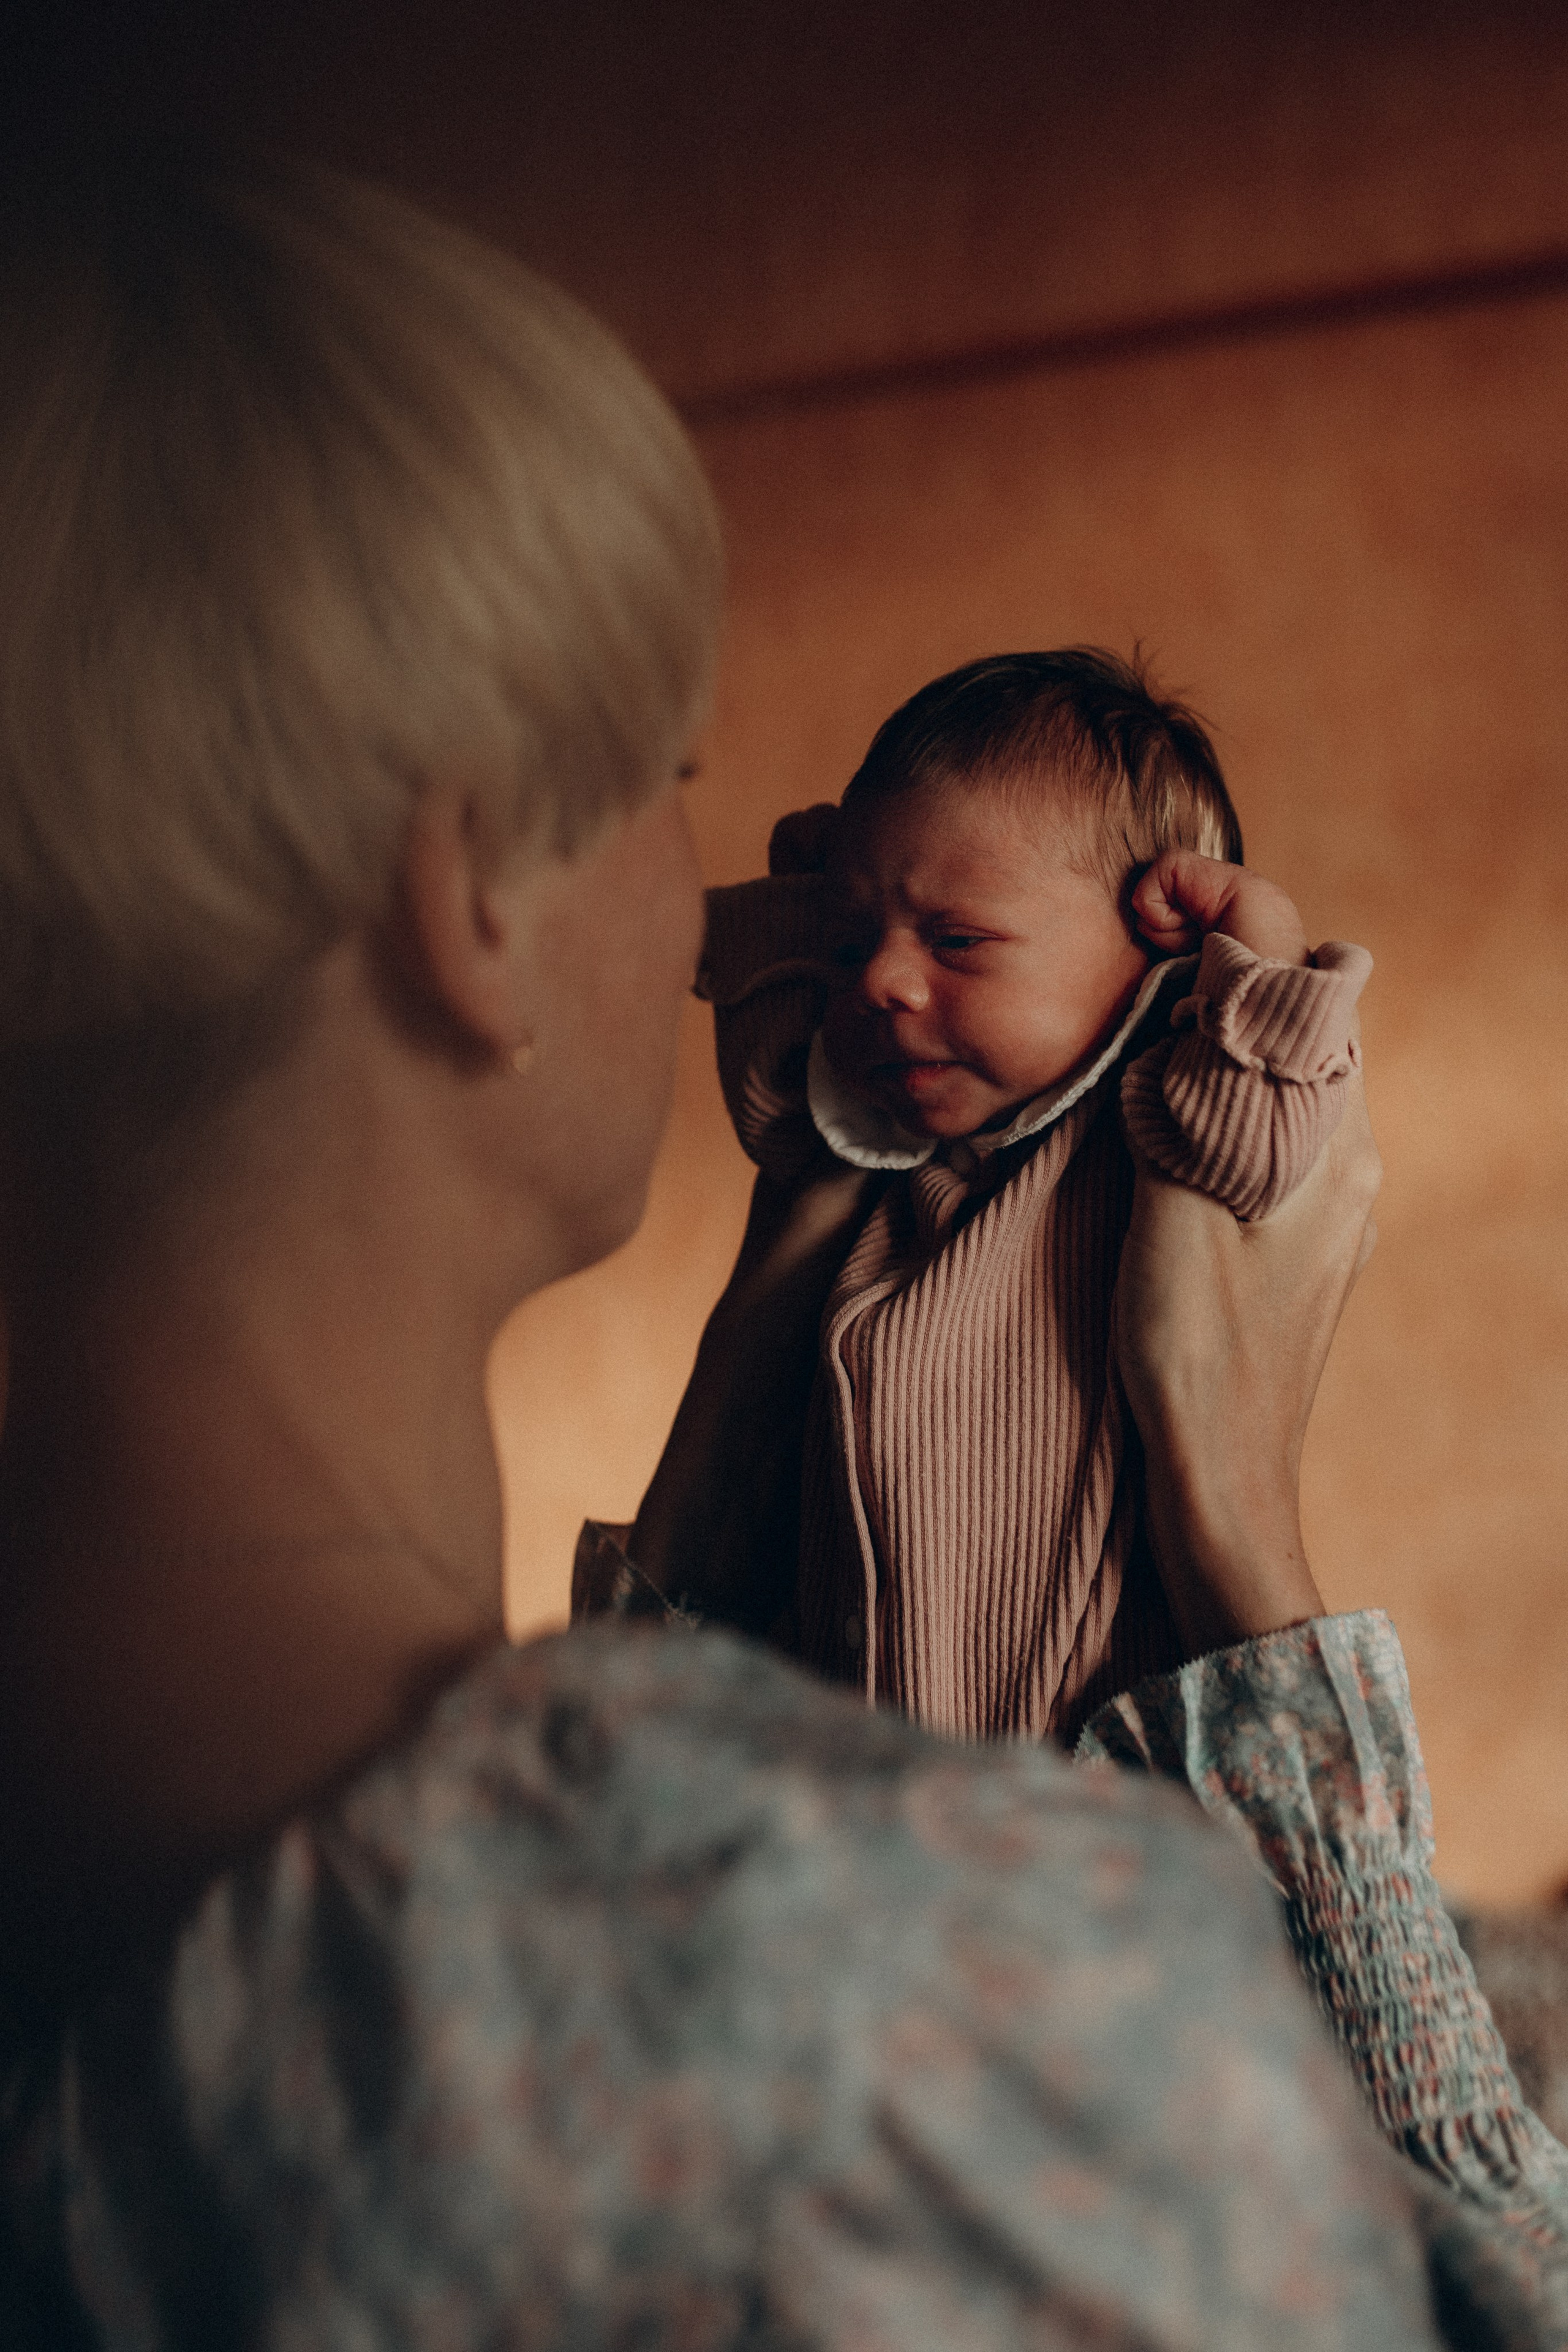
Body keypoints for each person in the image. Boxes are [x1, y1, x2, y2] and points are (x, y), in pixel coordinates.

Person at [0, 138, 1564, 2352]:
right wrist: (1243, 1529)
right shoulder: (983, 2037)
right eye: (679, 775)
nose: (813, 926)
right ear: (471, 905)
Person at [592, 652, 1370, 1744]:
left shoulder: (1146, 1128)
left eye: (956, 941)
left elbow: (1265, 1137)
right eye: (857, 943)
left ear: (1160, 950)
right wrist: (808, 907)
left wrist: (1255, 948)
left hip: (1080, 1771)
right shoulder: (878, 1157)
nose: (882, 982)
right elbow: (772, 1088)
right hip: (852, 1766)